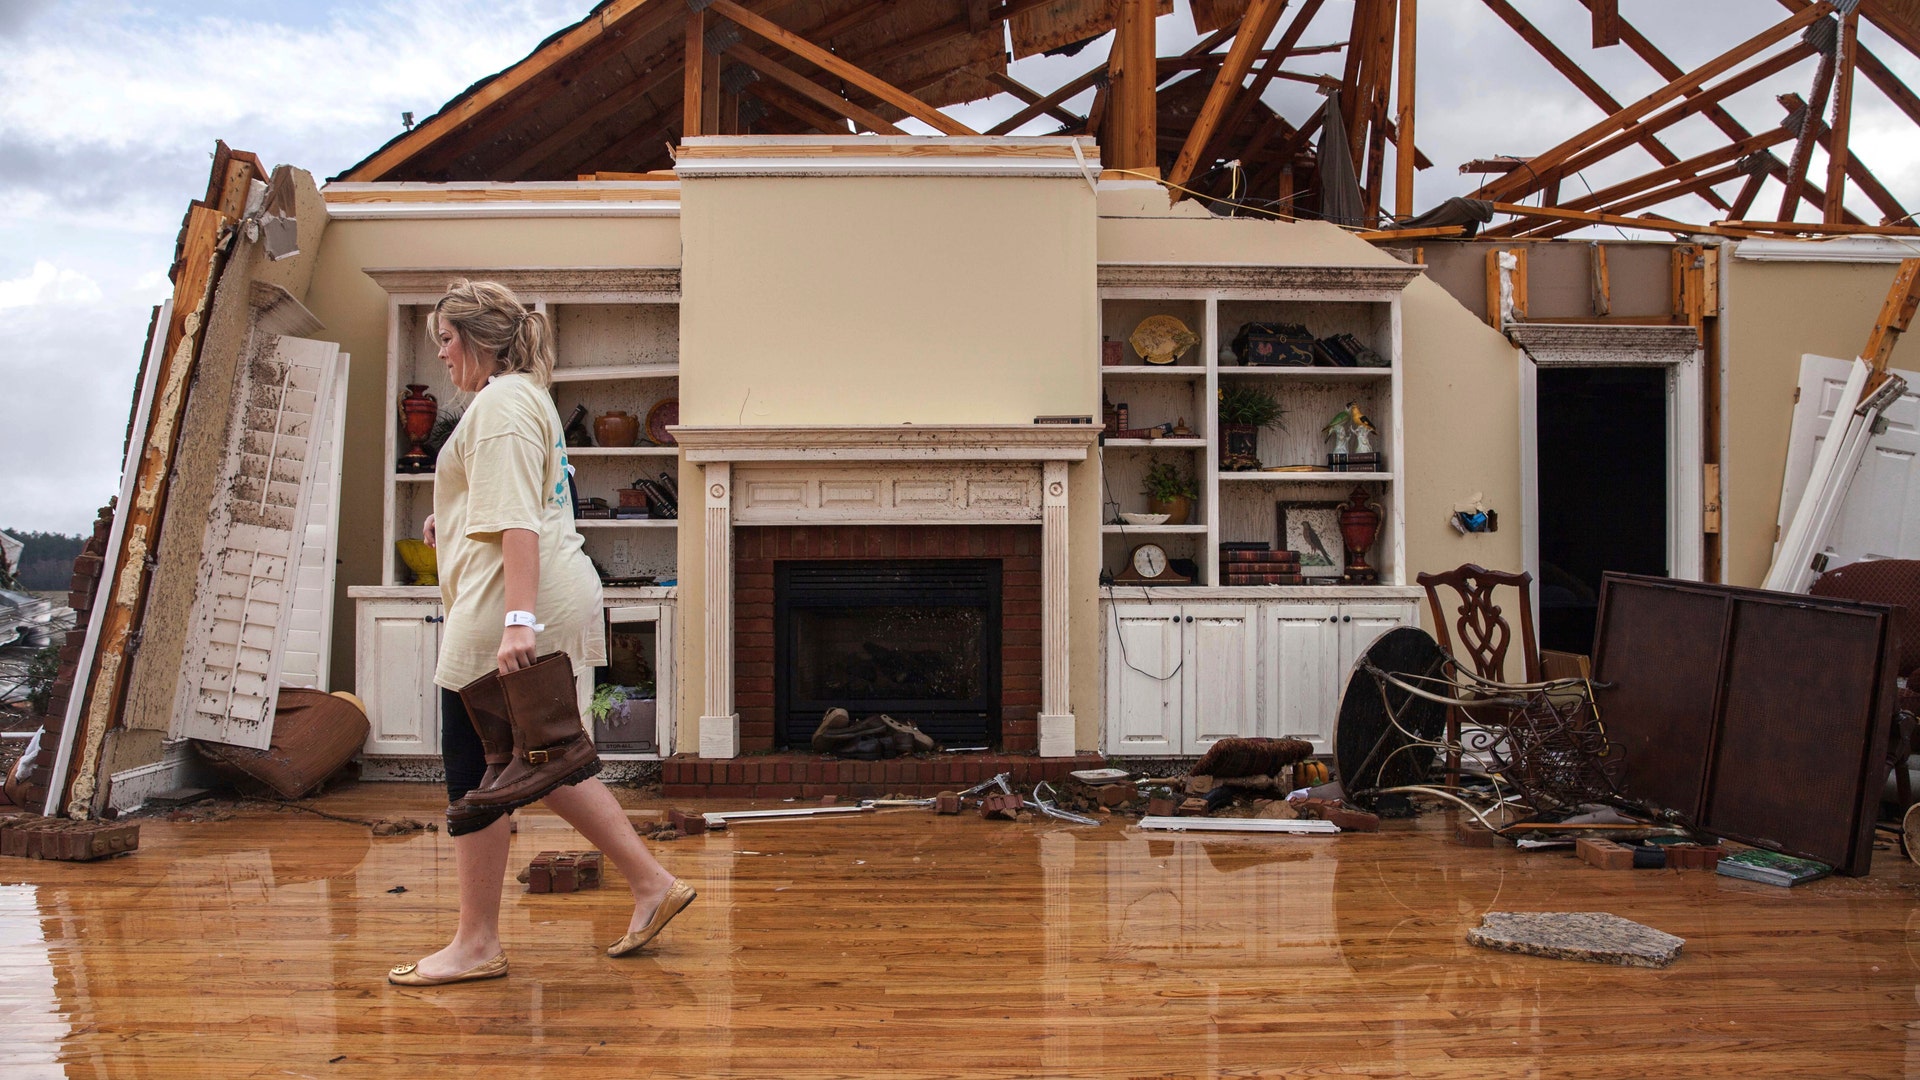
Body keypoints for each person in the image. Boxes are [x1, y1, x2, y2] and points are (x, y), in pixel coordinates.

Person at [388, 280, 695, 986]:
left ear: (475, 339)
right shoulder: (524, 396)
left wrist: (518, 622)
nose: (440, 355)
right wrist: (452, 519)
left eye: (444, 339)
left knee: (476, 766)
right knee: (536, 753)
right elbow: (524, 496)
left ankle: (475, 944)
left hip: (507, 602)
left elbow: (520, 521)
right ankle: (652, 884)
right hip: (539, 588)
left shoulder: (496, 405)